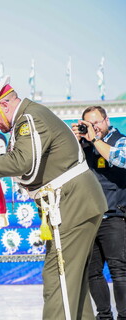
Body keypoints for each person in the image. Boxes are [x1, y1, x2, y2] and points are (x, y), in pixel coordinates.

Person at [0, 76, 107, 320]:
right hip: (72, 202)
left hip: (71, 202)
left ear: (4, 104)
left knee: (59, 279)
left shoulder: (29, 119)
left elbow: (21, 162)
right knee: (72, 282)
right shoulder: (28, 119)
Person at [72, 106, 126, 320]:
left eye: (97, 123)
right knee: (92, 272)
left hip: (114, 216)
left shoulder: (119, 140)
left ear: (106, 120)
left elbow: (120, 159)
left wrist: (94, 140)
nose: (94, 128)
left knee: (119, 270)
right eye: (89, 125)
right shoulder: (81, 144)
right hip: (88, 217)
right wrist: (74, 142)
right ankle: (104, 316)